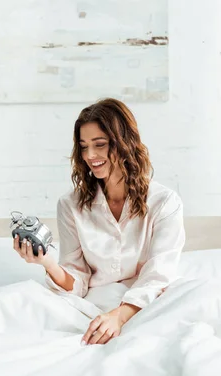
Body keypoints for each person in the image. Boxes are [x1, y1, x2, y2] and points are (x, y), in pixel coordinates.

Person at [13, 98, 185, 346]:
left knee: (206, 293)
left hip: (147, 306)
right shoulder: (70, 205)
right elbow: (77, 281)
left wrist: (118, 317)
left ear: (124, 144)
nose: (89, 156)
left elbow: (158, 276)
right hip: (91, 306)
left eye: (100, 144)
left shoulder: (164, 203)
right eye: (83, 147)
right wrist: (46, 262)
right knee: (13, 300)